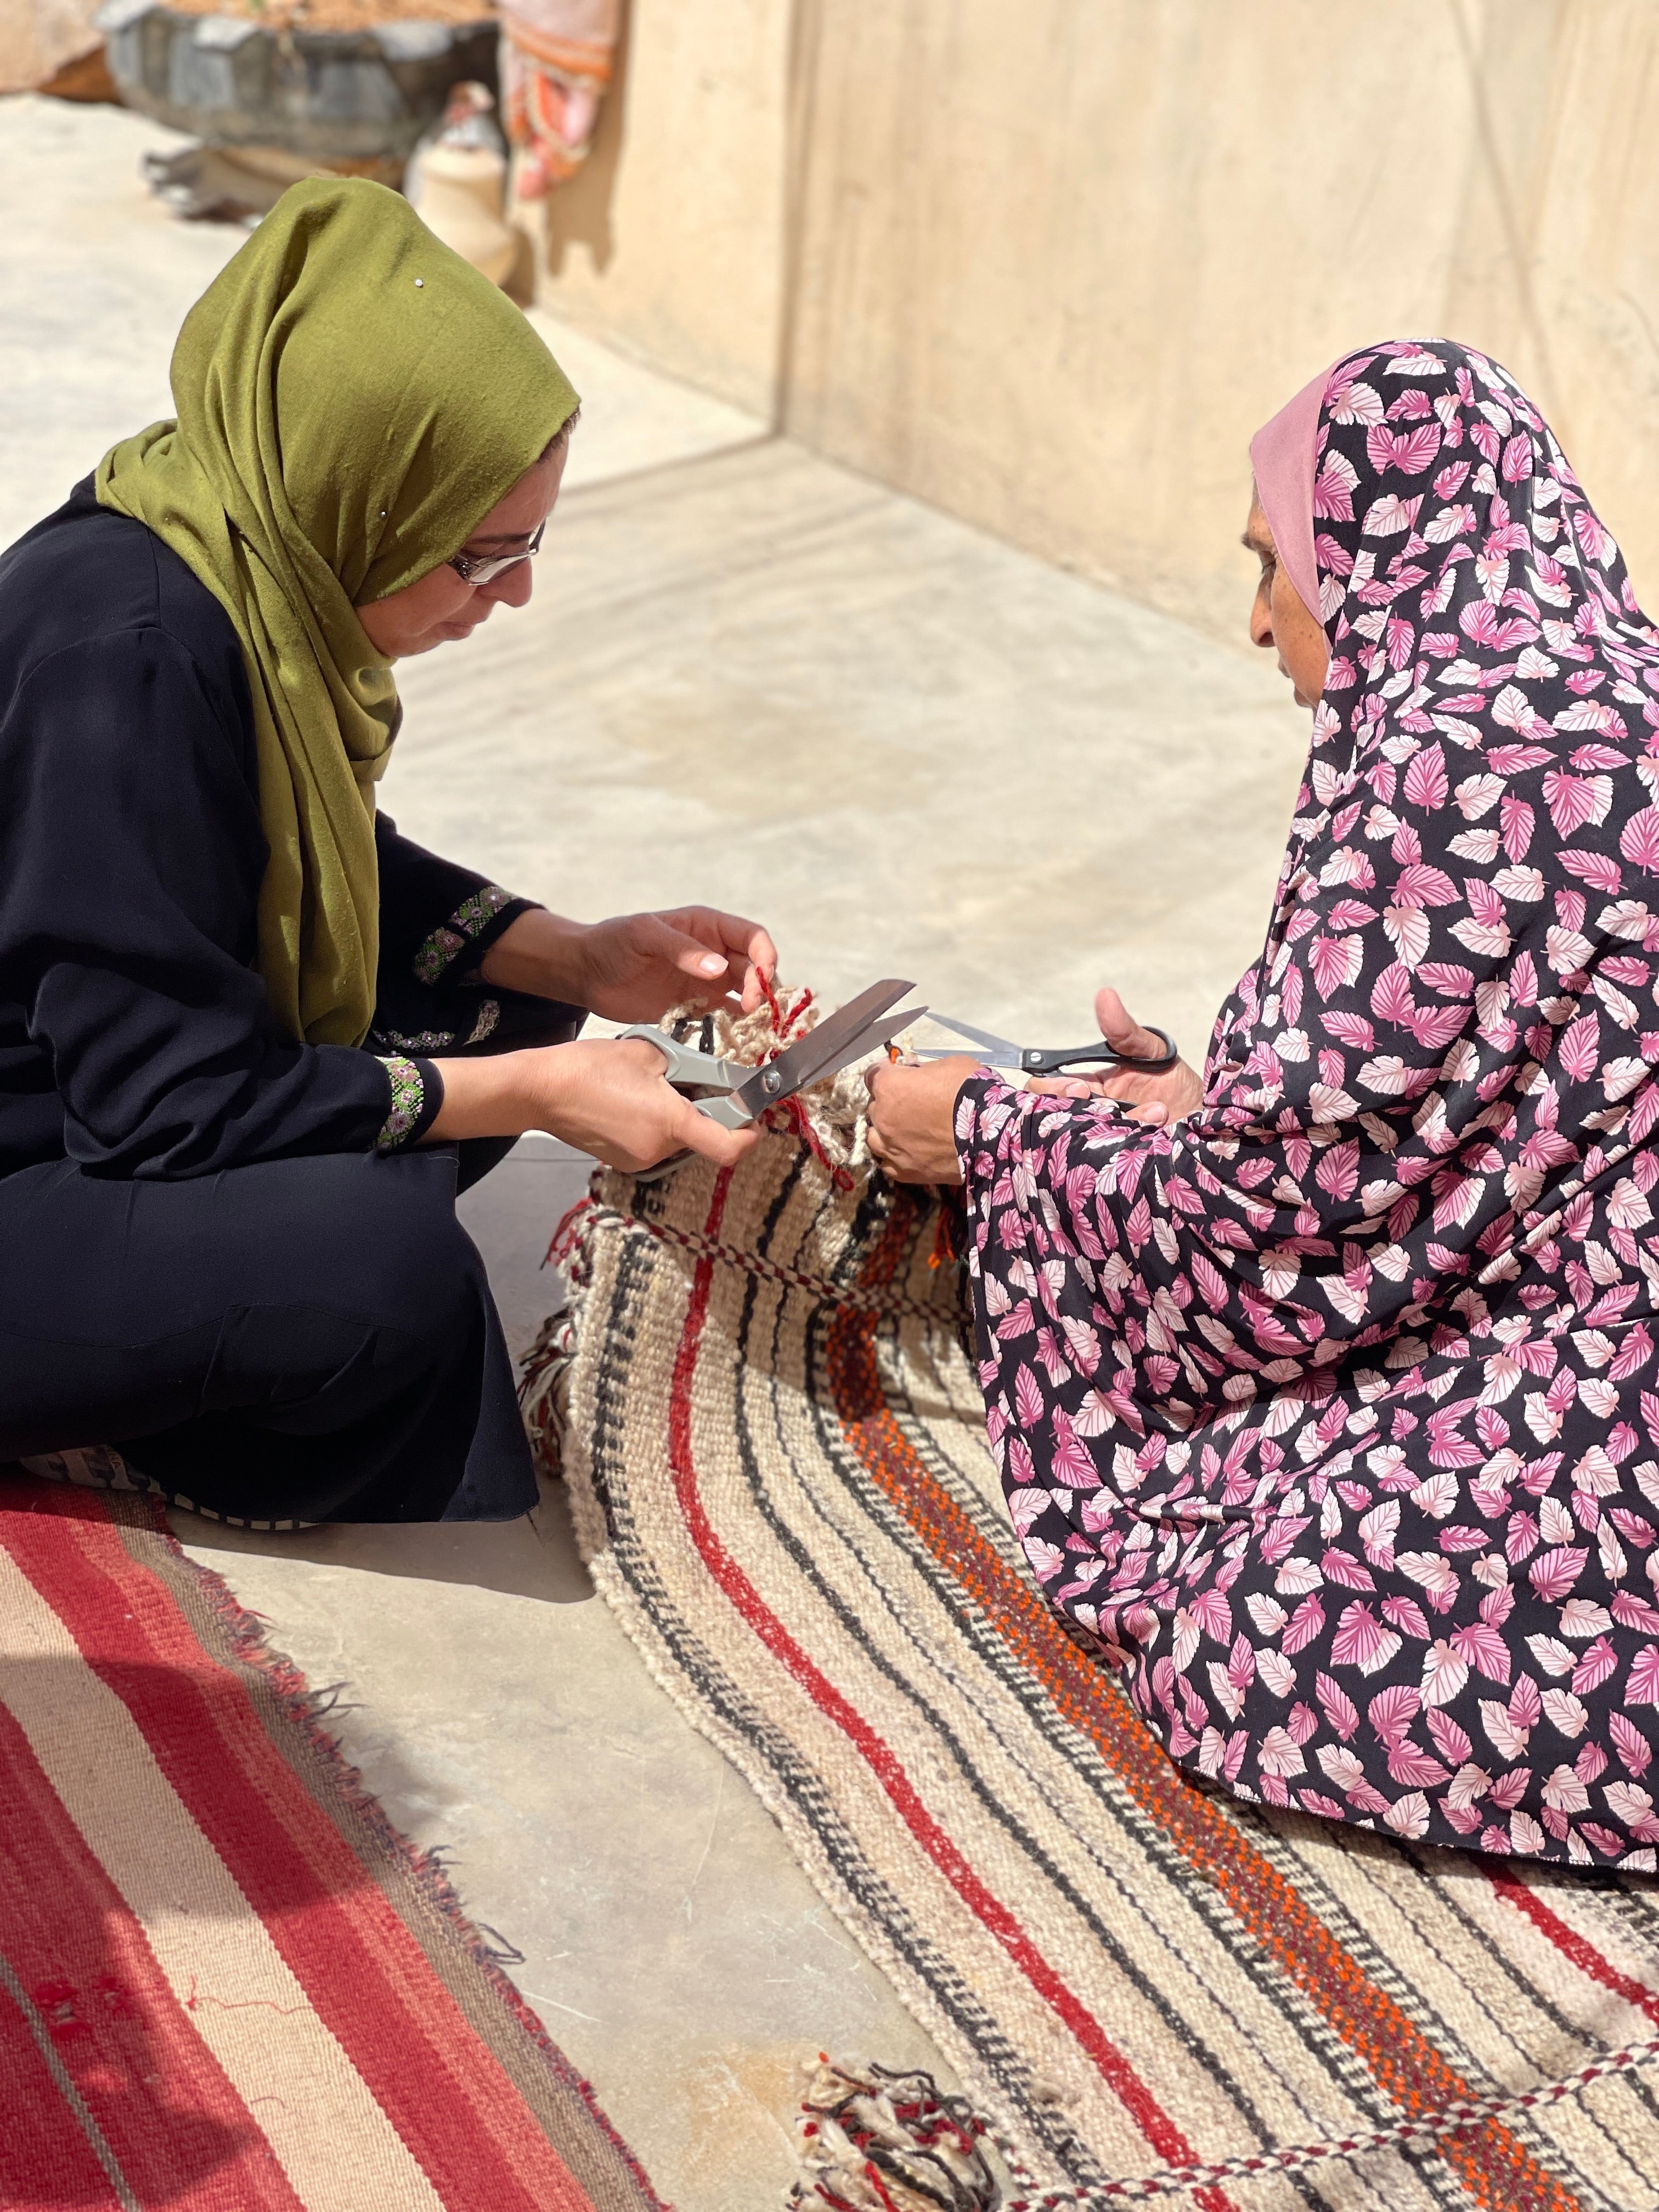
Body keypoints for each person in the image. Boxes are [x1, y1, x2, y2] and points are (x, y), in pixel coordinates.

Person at [867, 339, 1659, 1869]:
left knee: (1255, 1616)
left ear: (1374, 548)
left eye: (1274, 568)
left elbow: (1286, 1230)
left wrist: (983, 1132)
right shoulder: (1598, 691)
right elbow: (1468, 1133)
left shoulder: (1453, 762)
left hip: (1608, 1419)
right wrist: (1204, 1104)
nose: (1255, 623)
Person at [0, 179, 774, 1530]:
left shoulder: (228, 541)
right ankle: (124, 1415)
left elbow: (302, 852)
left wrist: (581, 955)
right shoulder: (123, 661)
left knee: (511, 993)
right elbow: (168, 1107)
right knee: (384, 1276)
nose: (517, 590)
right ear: (357, 493)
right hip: (40, 1141)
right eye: (482, 553)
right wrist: (534, 1092)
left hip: (91, 1078)